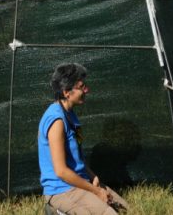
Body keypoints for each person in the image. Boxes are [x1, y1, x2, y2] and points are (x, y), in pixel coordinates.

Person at [38, 62, 129, 215]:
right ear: (67, 92)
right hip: (61, 190)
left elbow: (77, 157)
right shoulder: (57, 122)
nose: (87, 90)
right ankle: (54, 209)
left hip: (80, 183)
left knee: (125, 208)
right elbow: (61, 171)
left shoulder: (72, 116)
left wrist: (92, 176)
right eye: (82, 87)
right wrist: (95, 191)